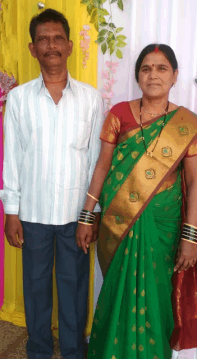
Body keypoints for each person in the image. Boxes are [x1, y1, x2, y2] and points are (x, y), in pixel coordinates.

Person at [76, 44, 197, 358]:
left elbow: (194, 181)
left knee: (156, 295)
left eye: (161, 68)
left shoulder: (185, 125)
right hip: (119, 220)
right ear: (138, 76)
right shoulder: (119, 114)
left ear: (174, 76)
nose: (152, 74)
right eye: (145, 68)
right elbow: (102, 165)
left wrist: (190, 236)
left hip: (164, 227)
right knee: (118, 292)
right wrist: (88, 216)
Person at [0, 8, 103, 359]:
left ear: (70, 46)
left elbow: (95, 161)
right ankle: (39, 349)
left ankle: (74, 351)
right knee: (36, 287)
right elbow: (12, 158)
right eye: (43, 39)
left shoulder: (91, 99)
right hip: (33, 213)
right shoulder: (18, 99)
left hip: (77, 215)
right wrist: (11, 212)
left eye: (58, 38)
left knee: (74, 289)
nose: (51, 45)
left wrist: (93, 214)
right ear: (32, 49)